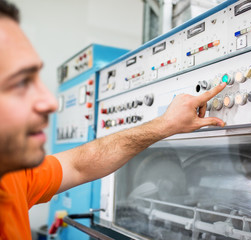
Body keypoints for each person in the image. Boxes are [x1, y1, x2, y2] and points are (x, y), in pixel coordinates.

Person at [0, 0, 226, 239]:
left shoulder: (13, 176)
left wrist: (165, 124)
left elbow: (80, 164)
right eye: (21, 82)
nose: (50, 101)